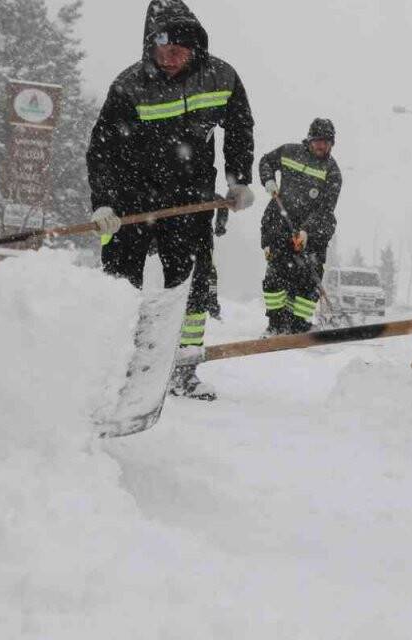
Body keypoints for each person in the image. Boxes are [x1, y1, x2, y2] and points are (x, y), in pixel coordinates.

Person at [86, 0, 255, 401]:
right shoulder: (130, 85)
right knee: (120, 282)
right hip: (132, 199)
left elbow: (239, 127)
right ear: (151, 44)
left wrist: (238, 180)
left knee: (191, 281)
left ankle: (183, 368)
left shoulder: (220, 78)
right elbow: (102, 149)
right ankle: (113, 366)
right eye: (163, 47)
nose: (171, 56)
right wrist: (104, 203)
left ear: (196, 46)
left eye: (180, 48)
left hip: (190, 199)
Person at [258, 118, 342, 335]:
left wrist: (306, 231)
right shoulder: (289, 152)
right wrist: (268, 180)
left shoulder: (333, 172)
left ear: (331, 144)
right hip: (280, 225)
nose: (321, 146)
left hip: (313, 233)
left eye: (326, 142)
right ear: (309, 140)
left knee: (307, 280)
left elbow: (325, 210)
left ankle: (299, 324)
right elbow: (266, 161)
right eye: (317, 141)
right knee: (276, 277)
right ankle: (276, 324)